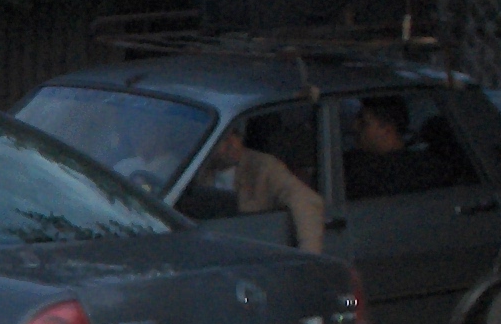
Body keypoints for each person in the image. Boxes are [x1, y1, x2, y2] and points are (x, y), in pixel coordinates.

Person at [187, 121, 324, 252]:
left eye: (235, 136)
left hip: (255, 248)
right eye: (224, 140)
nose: (232, 145)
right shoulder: (196, 169)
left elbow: (305, 200)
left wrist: (308, 253)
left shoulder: (263, 167)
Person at [344, 95, 458, 199]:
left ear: (387, 129)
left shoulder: (361, 173)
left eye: (363, 123)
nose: (355, 127)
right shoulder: (431, 167)